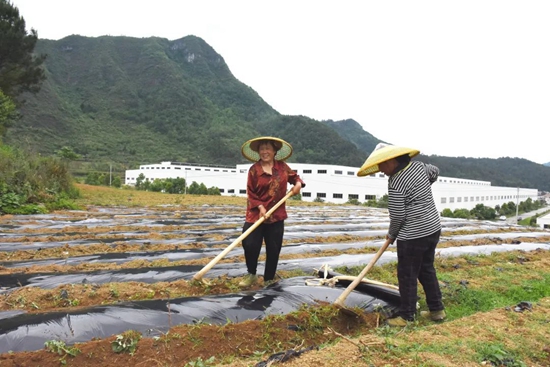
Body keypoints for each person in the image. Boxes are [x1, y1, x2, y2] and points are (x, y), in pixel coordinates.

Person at [357, 143, 445, 327]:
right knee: (426, 268)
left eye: (381, 165)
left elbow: (398, 215)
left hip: (413, 235)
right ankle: (437, 310)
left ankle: (407, 316)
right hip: (432, 228)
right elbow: (435, 171)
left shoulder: (395, 181)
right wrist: (424, 184)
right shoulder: (420, 167)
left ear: (391, 161)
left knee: (407, 274)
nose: (380, 170)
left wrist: (392, 234)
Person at [238, 136, 305, 287]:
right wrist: (261, 208)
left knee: (274, 247)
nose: (265, 151)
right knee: (249, 243)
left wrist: (298, 185)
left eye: (268, 148)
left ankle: (269, 278)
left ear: (275, 151)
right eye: (262, 149)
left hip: (276, 215)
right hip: (256, 214)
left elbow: (296, 178)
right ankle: (251, 274)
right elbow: (251, 193)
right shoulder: (254, 170)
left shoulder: (282, 167)